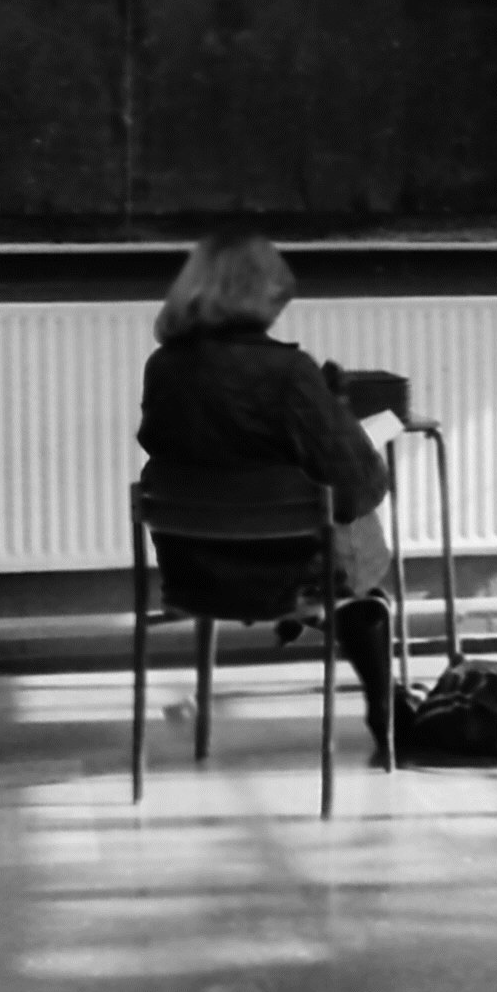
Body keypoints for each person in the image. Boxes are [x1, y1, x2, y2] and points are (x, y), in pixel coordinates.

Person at [137, 231, 398, 764]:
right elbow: (358, 488)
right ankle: (385, 707)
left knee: (305, 502)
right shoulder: (290, 374)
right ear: (261, 294)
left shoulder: (162, 367)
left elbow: (164, 446)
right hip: (290, 574)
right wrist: (336, 417)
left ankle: (314, 618)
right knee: (352, 525)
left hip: (195, 572)